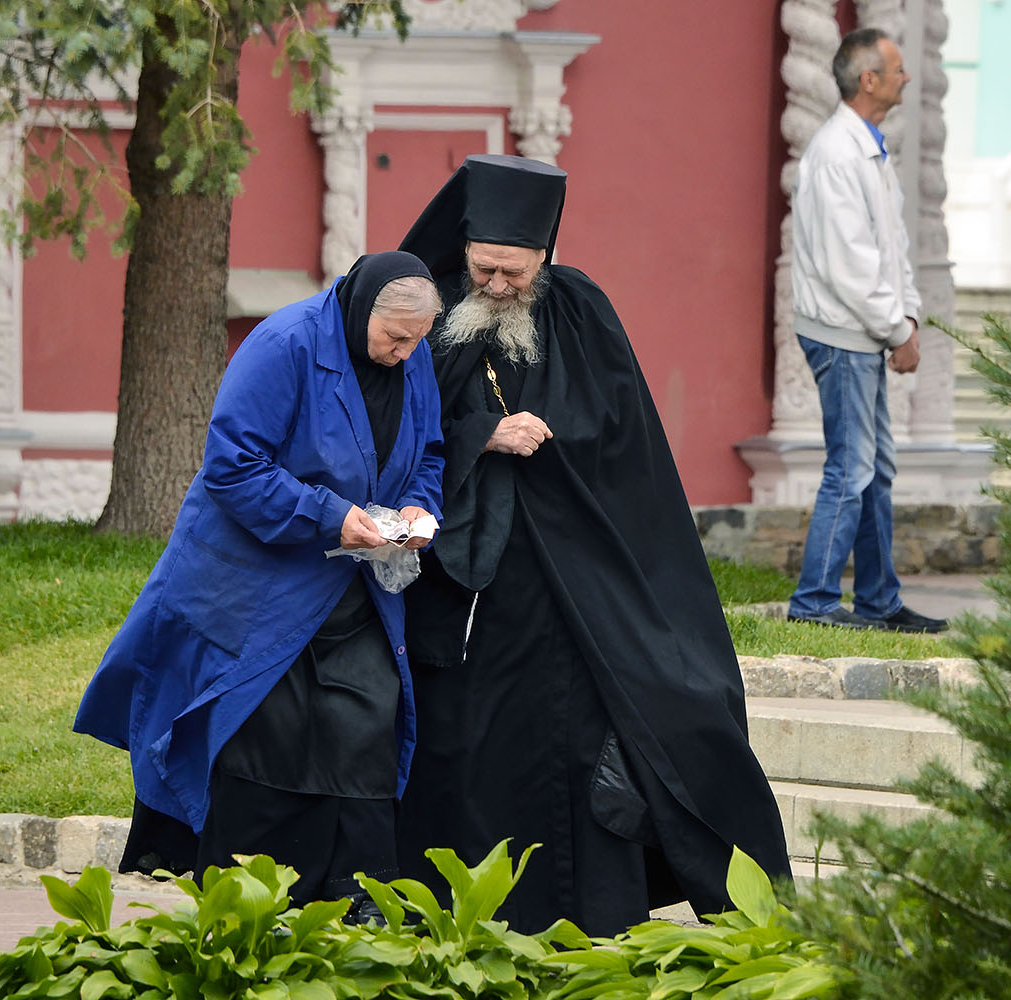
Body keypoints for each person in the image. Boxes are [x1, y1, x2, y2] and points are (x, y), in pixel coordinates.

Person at [393, 154, 793, 936]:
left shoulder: (579, 309)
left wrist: (549, 445)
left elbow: (623, 440)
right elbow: (400, 429)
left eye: (513, 271)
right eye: (484, 268)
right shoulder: (430, 312)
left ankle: (589, 916)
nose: (496, 286)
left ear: (544, 256)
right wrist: (482, 435)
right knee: (468, 750)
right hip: (468, 587)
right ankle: (464, 919)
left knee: (588, 739)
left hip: (574, 578)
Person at [73, 251, 445, 918]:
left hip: (353, 594)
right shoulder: (284, 344)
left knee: (367, 727)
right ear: (363, 314)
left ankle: (354, 899)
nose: (407, 354)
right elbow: (233, 467)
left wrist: (418, 505)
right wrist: (331, 516)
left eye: (418, 341)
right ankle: (248, 909)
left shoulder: (414, 359)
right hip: (259, 590)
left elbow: (430, 452)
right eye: (396, 338)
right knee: (259, 737)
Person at [784, 27, 948, 634]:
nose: (907, 77)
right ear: (869, 79)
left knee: (874, 469)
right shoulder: (835, 154)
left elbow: (891, 247)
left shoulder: (867, 149)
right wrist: (895, 329)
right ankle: (816, 605)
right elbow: (850, 266)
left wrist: (904, 317)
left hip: (862, 330)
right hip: (842, 333)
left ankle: (880, 601)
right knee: (851, 470)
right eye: (898, 69)